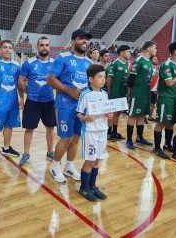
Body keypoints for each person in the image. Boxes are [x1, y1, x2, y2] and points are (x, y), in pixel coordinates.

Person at [47, 29, 93, 183]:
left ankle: (69, 167)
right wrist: (69, 91)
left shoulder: (89, 63)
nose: (84, 41)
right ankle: (55, 166)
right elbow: (51, 79)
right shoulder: (63, 58)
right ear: (73, 41)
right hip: (64, 104)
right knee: (65, 138)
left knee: (76, 138)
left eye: (86, 39)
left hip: (81, 108)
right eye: (81, 38)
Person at [18, 36, 56, 166]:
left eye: (46, 45)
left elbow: (59, 81)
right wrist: (27, 94)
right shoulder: (29, 63)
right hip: (33, 101)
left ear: (49, 47)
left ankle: (50, 151)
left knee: (50, 127)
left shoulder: (54, 63)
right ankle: (26, 153)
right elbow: (21, 81)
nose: (44, 47)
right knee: (29, 129)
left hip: (49, 101)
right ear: (37, 47)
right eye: (42, 45)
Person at [76, 64, 112, 201]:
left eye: (104, 77)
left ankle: (92, 185)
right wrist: (86, 118)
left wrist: (109, 114)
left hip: (102, 131)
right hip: (90, 131)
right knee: (90, 161)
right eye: (100, 77)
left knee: (97, 160)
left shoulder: (104, 94)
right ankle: (83, 187)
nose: (103, 80)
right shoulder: (85, 94)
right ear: (91, 78)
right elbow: (78, 113)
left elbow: (107, 110)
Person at [153, 41, 176, 159]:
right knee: (161, 122)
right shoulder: (166, 65)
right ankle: (157, 148)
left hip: (175, 98)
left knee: (171, 123)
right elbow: (169, 83)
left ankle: (167, 144)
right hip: (166, 98)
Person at [126, 41, 156, 150]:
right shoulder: (139, 61)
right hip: (137, 92)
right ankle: (129, 140)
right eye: (154, 48)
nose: (156, 50)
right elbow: (131, 78)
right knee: (133, 116)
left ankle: (139, 138)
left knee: (142, 116)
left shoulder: (149, 62)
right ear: (148, 49)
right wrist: (130, 91)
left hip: (146, 92)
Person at [106, 45, 130, 141]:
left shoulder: (126, 64)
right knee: (113, 112)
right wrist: (109, 90)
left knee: (118, 112)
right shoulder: (115, 63)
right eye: (128, 51)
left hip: (123, 92)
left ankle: (115, 132)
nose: (129, 53)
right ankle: (109, 132)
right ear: (121, 53)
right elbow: (109, 78)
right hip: (115, 92)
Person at [148, 55, 159, 121]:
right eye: (155, 59)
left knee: (152, 104)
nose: (156, 60)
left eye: (157, 59)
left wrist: (157, 88)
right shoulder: (149, 68)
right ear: (151, 60)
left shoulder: (157, 69)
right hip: (149, 88)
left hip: (155, 89)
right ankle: (142, 117)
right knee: (147, 103)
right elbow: (148, 79)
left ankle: (150, 117)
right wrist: (156, 75)